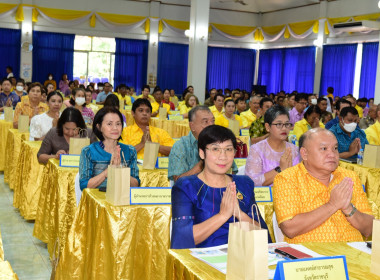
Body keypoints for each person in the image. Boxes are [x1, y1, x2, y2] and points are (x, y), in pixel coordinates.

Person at [171, 125, 270, 249]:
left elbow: (265, 236)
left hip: (243, 257)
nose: (223, 156)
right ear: (202, 153)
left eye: (228, 149)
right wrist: (222, 215)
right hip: (202, 261)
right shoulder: (186, 186)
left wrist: (240, 214)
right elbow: (182, 240)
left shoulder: (244, 184)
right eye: (215, 149)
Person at [273, 128, 374, 243]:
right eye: (324, 149)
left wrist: (348, 208)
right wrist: (333, 205)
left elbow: (369, 229)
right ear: (304, 154)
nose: (332, 154)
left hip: (353, 254)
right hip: (313, 257)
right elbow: (290, 228)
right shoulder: (287, 178)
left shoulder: (349, 177)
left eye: (335, 148)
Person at [79, 107, 140, 190]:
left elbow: (136, 184)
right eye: (109, 124)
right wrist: (108, 171)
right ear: (99, 127)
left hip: (122, 200)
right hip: (97, 201)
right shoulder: (88, 151)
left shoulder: (130, 151)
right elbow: (84, 186)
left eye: (118, 124)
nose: (115, 128)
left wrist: (120, 169)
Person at [245, 106, 299, 186]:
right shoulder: (257, 150)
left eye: (287, 124)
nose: (284, 128)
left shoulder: (295, 150)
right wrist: (280, 169)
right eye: (279, 124)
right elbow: (252, 182)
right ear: (267, 127)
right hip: (266, 198)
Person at [168, 106, 215, 181]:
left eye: (213, 121)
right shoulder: (181, 146)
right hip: (190, 191)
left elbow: (231, 173)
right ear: (192, 126)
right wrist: (203, 162)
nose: (211, 125)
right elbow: (179, 181)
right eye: (205, 122)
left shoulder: (220, 143)